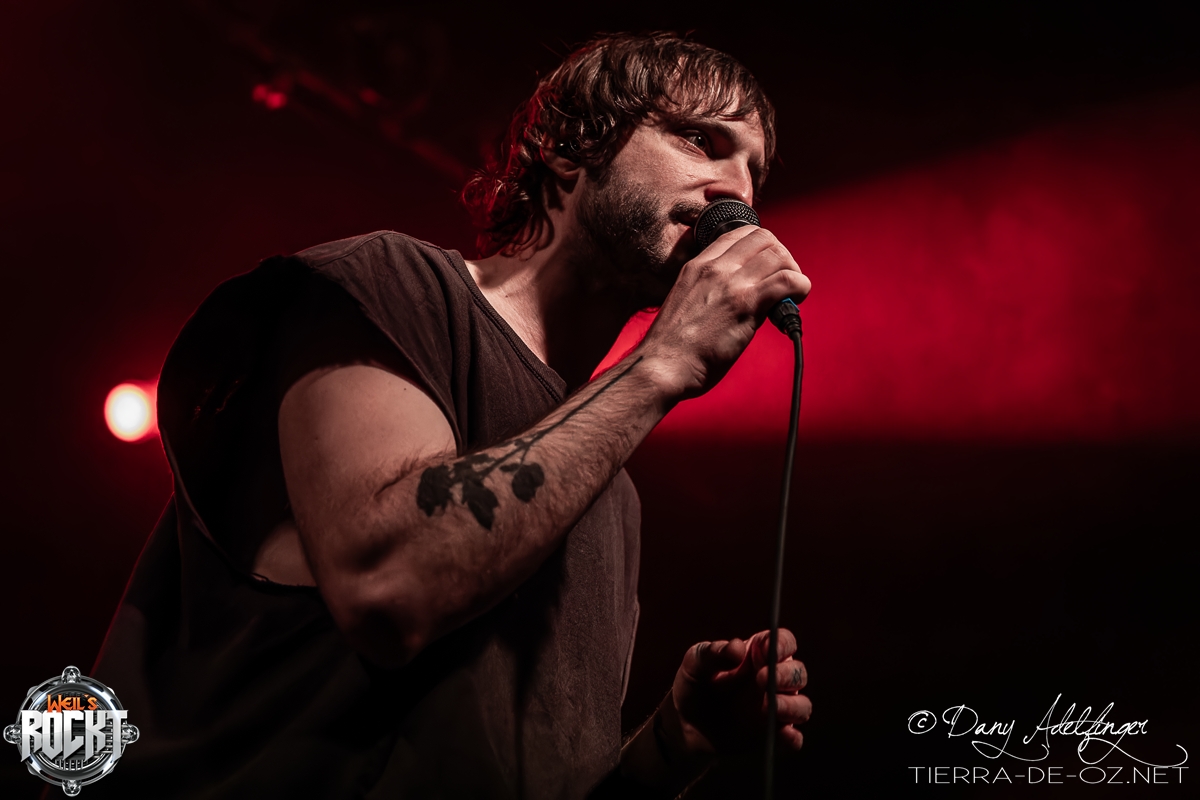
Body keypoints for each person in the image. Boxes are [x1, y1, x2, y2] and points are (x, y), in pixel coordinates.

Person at [88, 32, 812, 799]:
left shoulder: (616, 496)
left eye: (754, 172)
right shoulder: (391, 284)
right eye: (700, 140)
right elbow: (387, 587)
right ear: (569, 147)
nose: (738, 194)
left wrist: (671, 747)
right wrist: (661, 366)